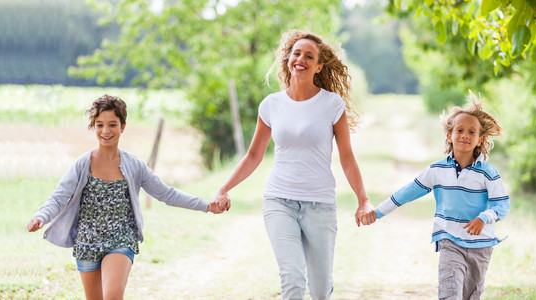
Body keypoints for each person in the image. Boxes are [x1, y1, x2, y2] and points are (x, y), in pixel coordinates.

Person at [211, 30, 376, 299]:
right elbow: (253, 156)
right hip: (279, 202)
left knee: (320, 291)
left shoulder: (331, 104)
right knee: (293, 278)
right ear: (287, 59)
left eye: (308, 56)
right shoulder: (271, 105)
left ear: (319, 66)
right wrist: (223, 188)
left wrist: (363, 199)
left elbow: (346, 156)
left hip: (319, 205)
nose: (300, 59)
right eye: (296, 53)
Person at [27, 95, 222, 300]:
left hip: (121, 239)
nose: (105, 131)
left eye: (112, 124)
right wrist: (41, 216)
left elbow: (166, 194)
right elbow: (59, 197)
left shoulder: (134, 165)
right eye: (99, 125)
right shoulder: (83, 164)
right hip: (87, 242)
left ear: (123, 126)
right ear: (94, 127)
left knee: (112, 296)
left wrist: (206, 206)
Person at [363, 92, 510, 300]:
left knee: (471, 296)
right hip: (449, 240)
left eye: (471, 132)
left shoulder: (488, 172)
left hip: (481, 246)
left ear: (480, 140)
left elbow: (502, 205)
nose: (465, 135)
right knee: (450, 294)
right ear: (449, 136)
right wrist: (377, 212)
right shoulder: (437, 170)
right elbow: (406, 193)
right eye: (459, 130)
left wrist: (483, 218)